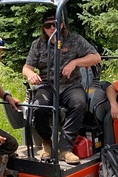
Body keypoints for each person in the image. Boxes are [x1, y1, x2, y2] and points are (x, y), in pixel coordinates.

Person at [22, 12, 101, 164]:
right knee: (38, 108)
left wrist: (75, 62)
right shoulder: (37, 44)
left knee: (79, 103)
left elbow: (96, 57)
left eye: (55, 24)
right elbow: (27, 67)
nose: (52, 28)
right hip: (47, 85)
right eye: (48, 26)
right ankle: (47, 143)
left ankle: (65, 148)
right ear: (43, 28)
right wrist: (30, 74)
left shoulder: (74, 40)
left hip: (70, 84)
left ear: (62, 25)